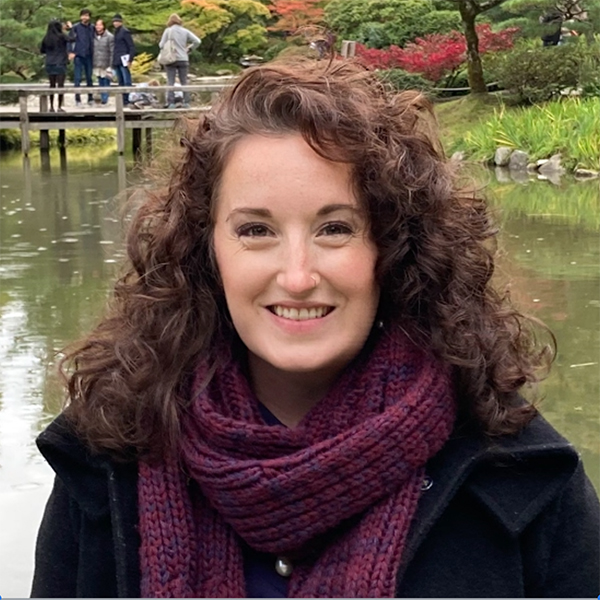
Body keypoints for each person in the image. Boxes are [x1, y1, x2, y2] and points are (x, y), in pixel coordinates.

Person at [30, 60, 599, 598]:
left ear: (394, 247)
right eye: (256, 231)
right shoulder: (105, 458)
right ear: (206, 251)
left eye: (335, 228)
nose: (298, 276)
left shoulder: (522, 474)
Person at [159, 13, 201, 108]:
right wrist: (189, 48)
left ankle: (171, 103)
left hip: (170, 58)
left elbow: (161, 45)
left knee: (170, 81)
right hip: (183, 58)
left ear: (170, 22)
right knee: (184, 81)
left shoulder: (168, 31)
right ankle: (186, 102)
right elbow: (197, 41)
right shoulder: (185, 31)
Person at [40, 20, 69, 112]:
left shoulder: (46, 38)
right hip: (60, 63)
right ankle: (59, 106)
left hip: (50, 63)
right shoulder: (62, 36)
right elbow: (72, 39)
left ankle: (51, 106)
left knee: (52, 85)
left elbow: (42, 50)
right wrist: (70, 29)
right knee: (60, 86)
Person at [67, 8, 94, 107]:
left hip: (89, 55)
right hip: (78, 55)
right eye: (83, 15)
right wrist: (70, 52)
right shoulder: (75, 27)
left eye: (87, 15)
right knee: (77, 78)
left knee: (89, 77)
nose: (85, 17)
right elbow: (69, 40)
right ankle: (77, 99)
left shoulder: (92, 27)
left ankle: (90, 98)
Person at [111, 14, 136, 106]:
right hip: (117, 58)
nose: (115, 23)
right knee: (120, 80)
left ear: (121, 22)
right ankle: (122, 100)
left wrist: (130, 59)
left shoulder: (125, 32)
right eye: (114, 21)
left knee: (126, 80)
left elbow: (131, 46)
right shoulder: (116, 32)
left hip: (124, 58)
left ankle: (128, 98)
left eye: (117, 21)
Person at [92, 19, 114, 105]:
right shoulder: (93, 36)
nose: (98, 27)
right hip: (97, 61)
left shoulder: (109, 36)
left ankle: (105, 99)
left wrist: (111, 65)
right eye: (97, 25)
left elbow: (112, 51)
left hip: (106, 62)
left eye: (100, 25)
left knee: (106, 80)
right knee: (100, 80)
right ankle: (102, 97)